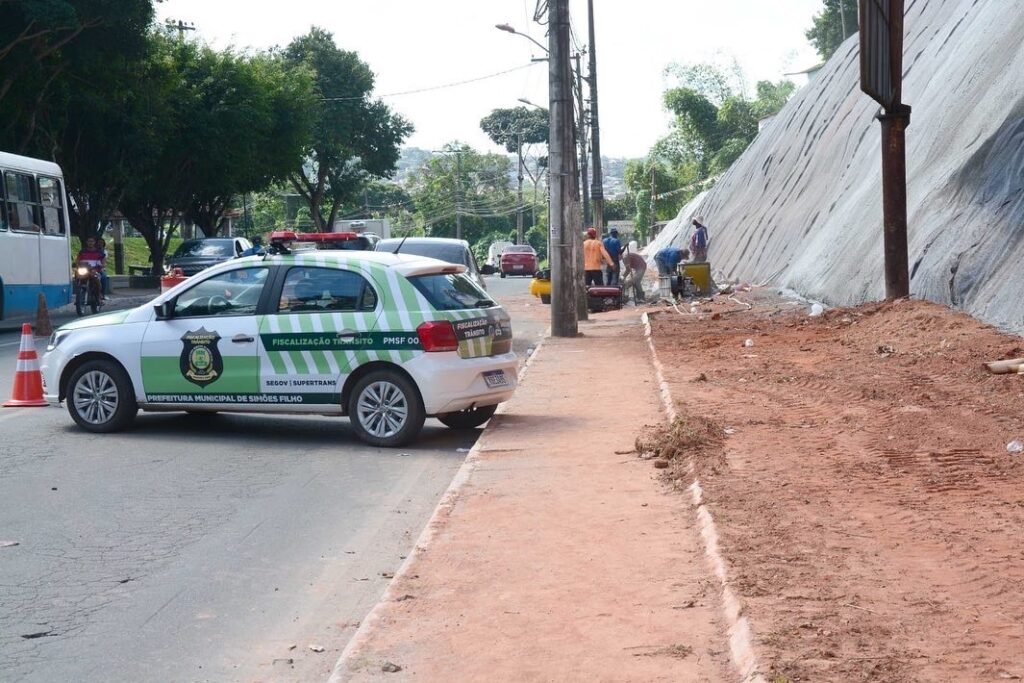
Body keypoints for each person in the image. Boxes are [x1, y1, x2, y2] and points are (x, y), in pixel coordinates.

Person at [76, 236, 106, 302]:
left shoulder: (99, 252)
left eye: (92, 241)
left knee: (99, 279)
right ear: (86, 242)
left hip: (95, 270)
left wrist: (102, 265)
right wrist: (77, 265)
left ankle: (99, 295)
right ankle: (79, 295)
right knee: (77, 277)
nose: (90, 243)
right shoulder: (82, 252)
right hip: (84, 270)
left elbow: (103, 261)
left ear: (94, 242)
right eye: (89, 241)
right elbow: (77, 261)